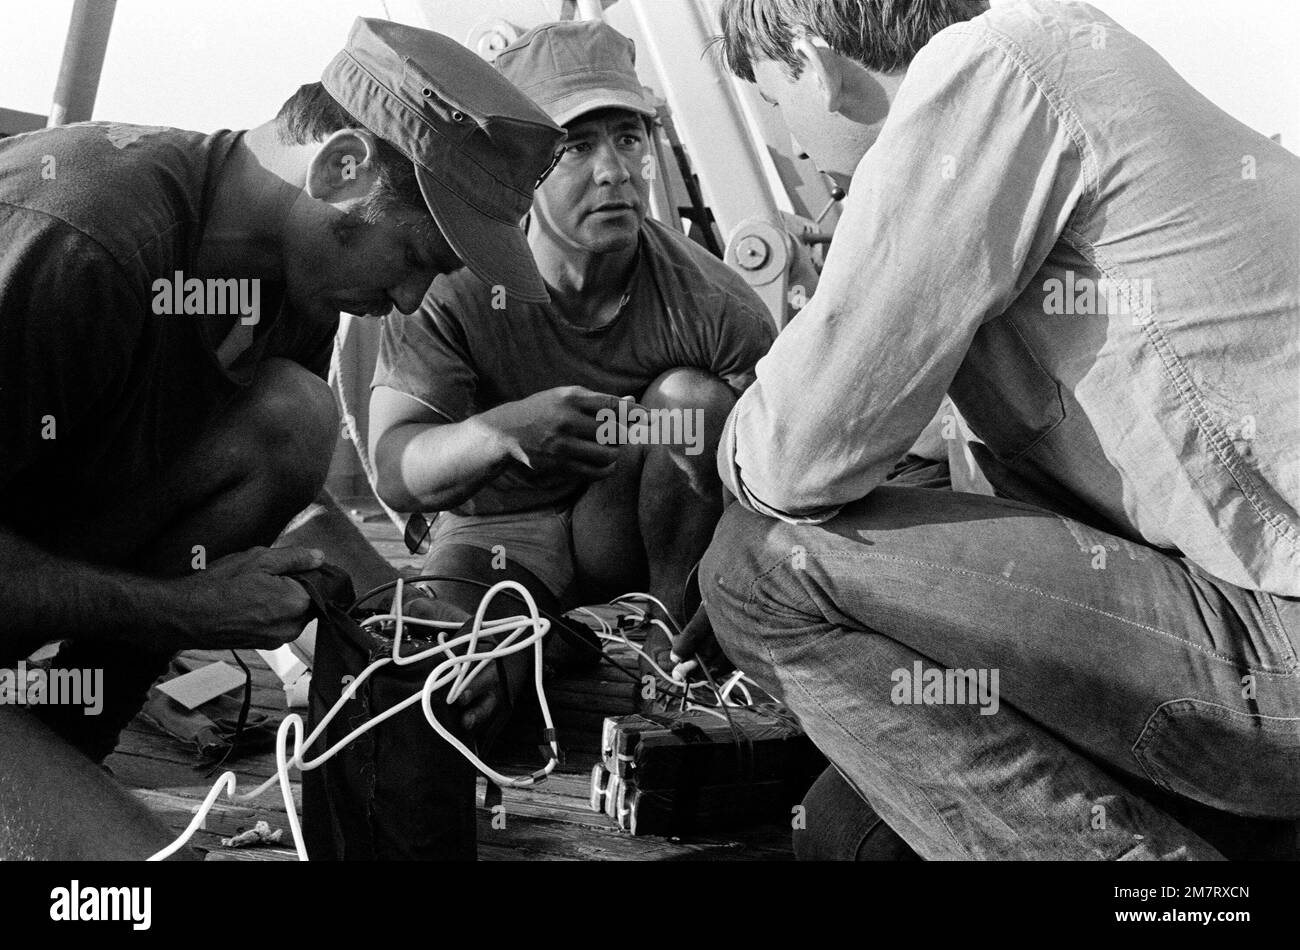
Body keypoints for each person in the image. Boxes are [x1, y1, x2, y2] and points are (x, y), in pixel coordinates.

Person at [695, 0, 1300, 859]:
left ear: (814, 63)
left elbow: (793, 459)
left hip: (1280, 646)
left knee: (756, 571)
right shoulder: (1065, 71)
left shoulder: (994, 70)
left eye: (770, 101)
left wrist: (735, 456)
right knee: (853, 829)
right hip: (1249, 629)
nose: (790, 147)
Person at [0, 17, 565, 859]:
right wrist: (184, 609)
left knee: (294, 417)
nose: (411, 301)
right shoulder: (85, 238)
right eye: (414, 256)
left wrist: (404, 618)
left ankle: (61, 742)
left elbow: (278, 499)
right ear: (344, 165)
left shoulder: (288, 275)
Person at [369, 20, 775, 735]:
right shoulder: (455, 281)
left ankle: (665, 646)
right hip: (494, 530)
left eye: (629, 137)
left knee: (693, 402)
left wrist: (728, 595)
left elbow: (779, 479)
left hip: (623, 525)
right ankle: (542, 641)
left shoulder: (712, 303)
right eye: (576, 147)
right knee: (449, 695)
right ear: (521, 170)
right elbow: (395, 474)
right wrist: (505, 432)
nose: (614, 171)